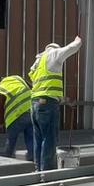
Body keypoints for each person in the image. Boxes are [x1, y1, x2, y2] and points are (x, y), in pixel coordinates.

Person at [28, 35, 83, 171]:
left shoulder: (37, 63)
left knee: (38, 139)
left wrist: (67, 101)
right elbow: (72, 48)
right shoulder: (53, 54)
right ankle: (47, 172)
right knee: (49, 138)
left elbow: (47, 89)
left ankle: (38, 169)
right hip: (47, 105)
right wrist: (78, 40)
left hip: (35, 104)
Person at [0, 69, 34, 161]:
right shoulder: (17, 78)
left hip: (15, 118)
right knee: (31, 139)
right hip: (31, 113)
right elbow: (32, 88)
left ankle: (6, 160)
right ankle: (33, 160)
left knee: (11, 142)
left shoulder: (0, 90)